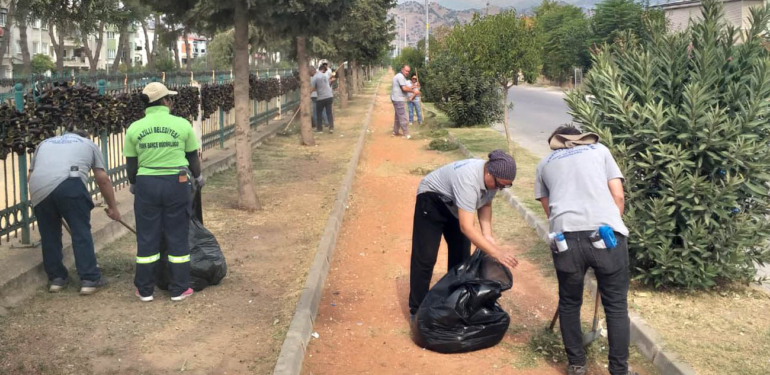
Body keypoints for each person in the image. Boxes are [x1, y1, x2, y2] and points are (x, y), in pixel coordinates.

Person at [534, 125, 633, 375]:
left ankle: (577, 365)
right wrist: (611, 223)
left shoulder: (545, 163)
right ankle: (619, 370)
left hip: (565, 238)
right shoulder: (600, 150)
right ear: (581, 138)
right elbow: (618, 196)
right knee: (617, 306)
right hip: (605, 235)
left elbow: (549, 211)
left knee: (569, 302)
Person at [409, 150, 520, 318]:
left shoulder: (493, 179)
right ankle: (417, 311)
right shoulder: (468, 180)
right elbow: (466, 227)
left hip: (455, 205)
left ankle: (453, 304)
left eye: (505, 186)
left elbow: (485, 204)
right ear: (489, 172)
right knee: (425, 257)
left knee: (461, 257)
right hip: (432, 199)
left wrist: (488, 238)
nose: (500, 189)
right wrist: (496, 252)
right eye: (499, 185)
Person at [124, 82, 203, 303]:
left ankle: (145, 290)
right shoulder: (181, 124)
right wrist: (198, 177)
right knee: (177, 234)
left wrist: (134, 183)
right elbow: (192, 157)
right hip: (176, 184)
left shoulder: (134, 128)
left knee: (147, 236)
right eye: (170, 98)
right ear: (165, 101)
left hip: (147, 184)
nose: (172, 102)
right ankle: (179, 288)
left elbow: (131, 164)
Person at [29, 130, 121, 295]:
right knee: (80, 232)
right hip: (70, 184)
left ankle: (56, 279)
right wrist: (112, 207)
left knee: (49, 234)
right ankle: (90, 279)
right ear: (85, 136)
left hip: (39, 188)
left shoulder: (45, 143)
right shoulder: (88, 144)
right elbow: (102, 178)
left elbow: (30, 176)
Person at [312, 64, 335, 134]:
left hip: (321, 98)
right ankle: (331, 128)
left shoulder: (315, 77)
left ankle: (320, 129)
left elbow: (313, 88)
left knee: (319, 113)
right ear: (322, 70)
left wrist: (307, 93)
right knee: (329, 113)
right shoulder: (326, 75)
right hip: (329, 96)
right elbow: (328, 84)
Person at [391, 65, 413, 139]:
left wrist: (411, 88)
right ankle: (406, 133)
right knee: (403, 116)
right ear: (402, 69)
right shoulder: (400, 77)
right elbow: (404, 88)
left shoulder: (399, 76)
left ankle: (395, 131)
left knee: (398, 116)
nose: (407, 72)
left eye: (408, 71)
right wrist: (413, 91)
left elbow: (405, 87)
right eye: (406, 71)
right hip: (398, 99)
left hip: (396, 98)